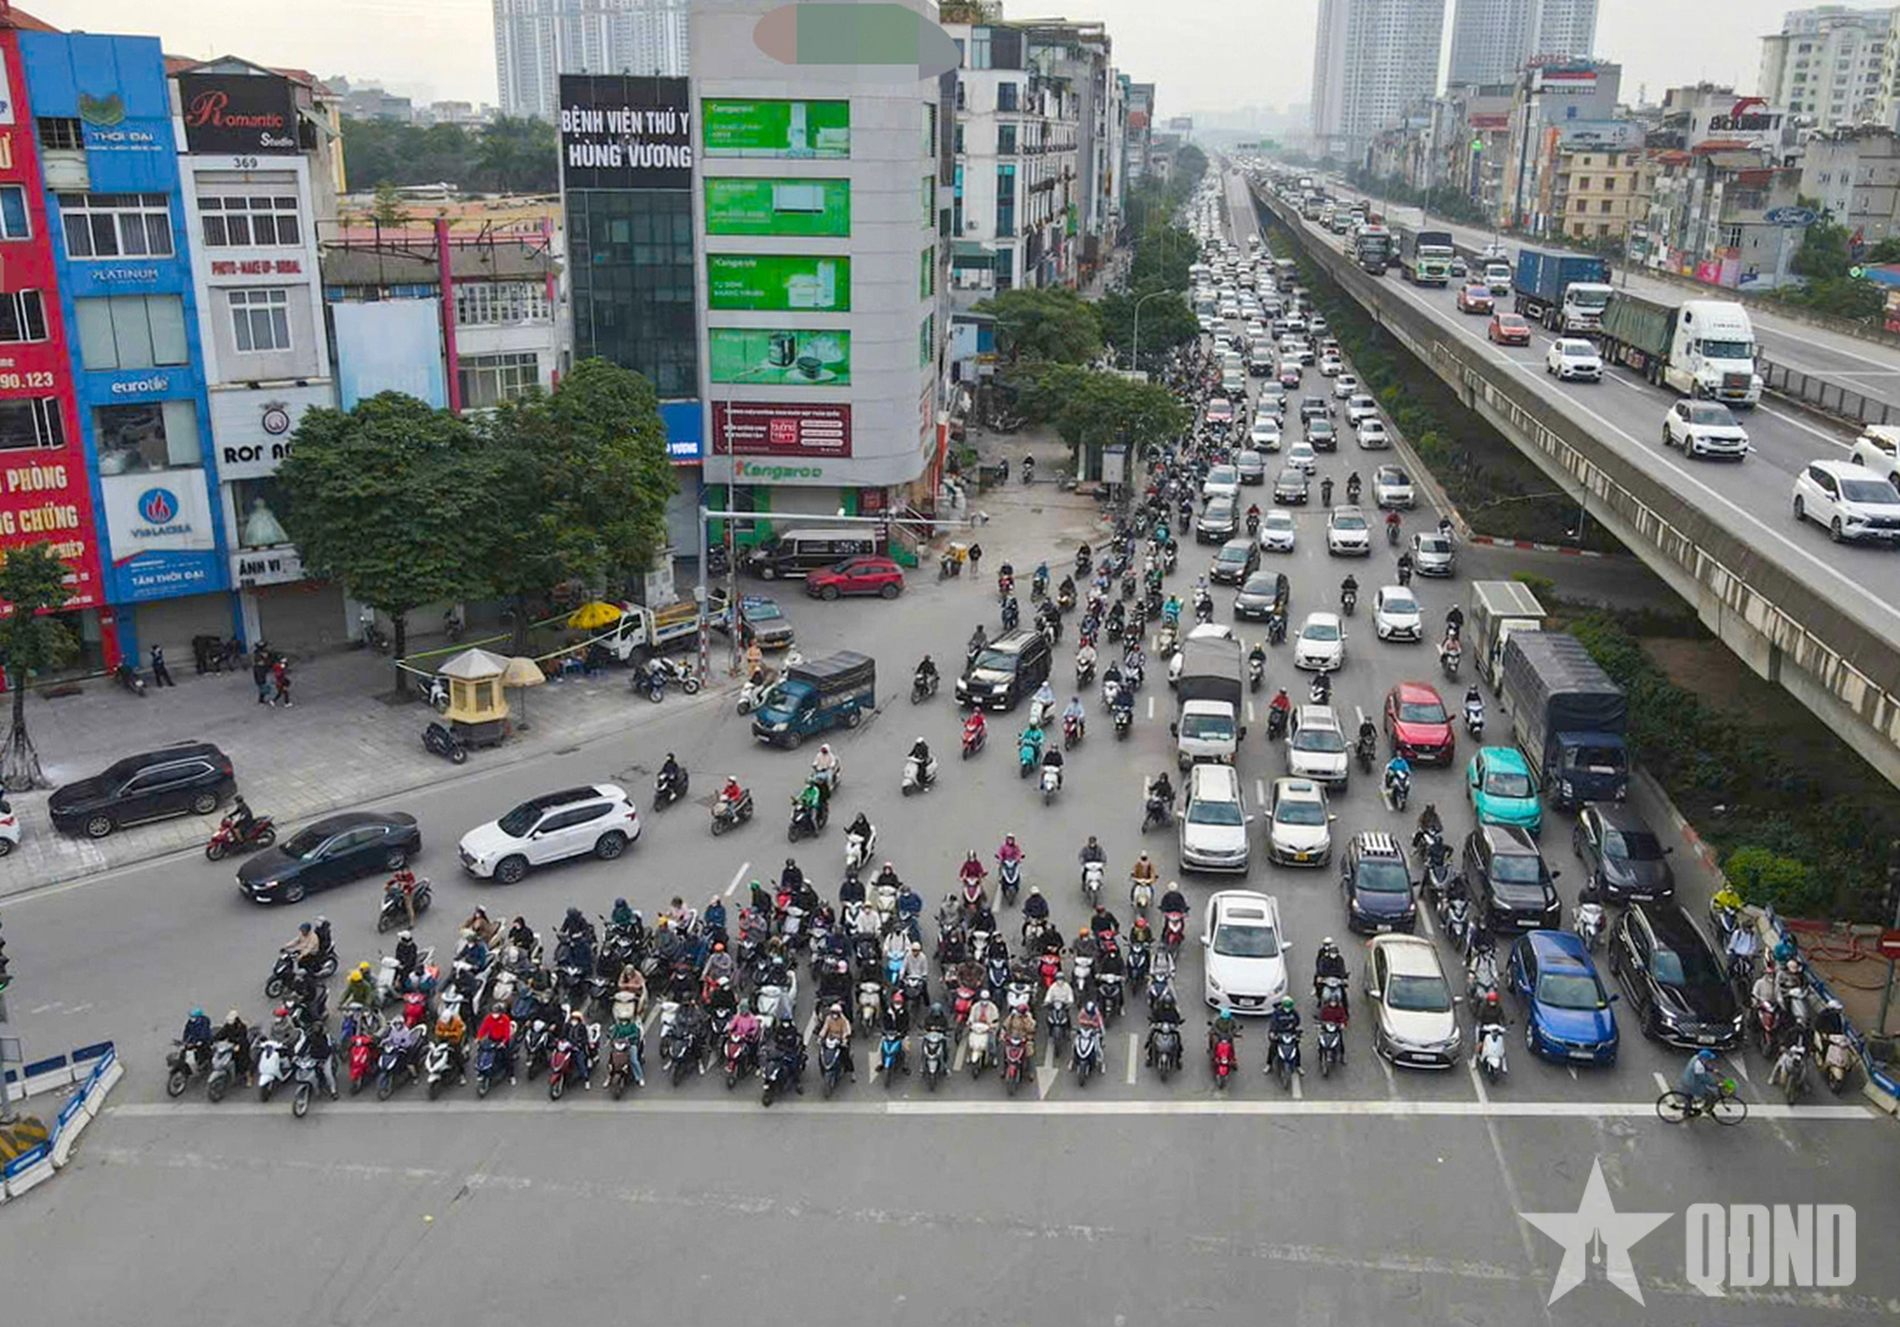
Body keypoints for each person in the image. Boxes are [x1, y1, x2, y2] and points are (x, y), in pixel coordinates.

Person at [299, 1020, 338, 1100]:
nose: (315, 1029)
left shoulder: (326, 1036)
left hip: (325, 1058)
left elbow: (330, 1047)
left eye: (317, 1028)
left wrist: (324, 1060)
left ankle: (333, 1090)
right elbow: (304, 1046)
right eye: (314, 1027)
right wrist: (298, 1055)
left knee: (328, 1074)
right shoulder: (310, 1036)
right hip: (313, 1057)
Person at [434, 999, 469, 1084]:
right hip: (443, 1039)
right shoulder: (440, 1021)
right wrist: (443, 1034)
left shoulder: (457, 1021)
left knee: (457, 1057)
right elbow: (436, 1031)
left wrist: (449, 1034)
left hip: (454, 1040)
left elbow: (459, 1032)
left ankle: (462, 1074)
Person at [214, 1009, 253, 1085]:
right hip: (231, 1045)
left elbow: (242, 1038)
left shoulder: (242, 1027)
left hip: (242, 1046)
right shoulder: (227, 1026)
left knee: (243, 1063)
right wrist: (214, 1039)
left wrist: (238, 1045)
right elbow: (222, 1033)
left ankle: (249, 1078)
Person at [1267, 995, 1303, 1075]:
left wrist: (1293, 1026)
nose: (1288, 1009)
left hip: (1290, 1033)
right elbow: (1273, 1023)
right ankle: (1269, 1064)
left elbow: (1298, 1021)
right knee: (1272, 1047)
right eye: (1286, 1007)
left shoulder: (1294, 1012)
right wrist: (1272, 1033)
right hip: (1279, 1033)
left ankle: (1298, 1066)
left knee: (1296, 1048)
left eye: (1289, 1007)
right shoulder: (1277, 1012)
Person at [819, 1002, 855, 1080]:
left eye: (836, 1013)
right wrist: (821, 1036)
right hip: (830, 1038)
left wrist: (844, 1039)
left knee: (845, 1056)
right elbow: (825, 1028)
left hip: (840, 1039)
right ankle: (823, 1069)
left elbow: (846, 1030)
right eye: (833, 1013)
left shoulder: (843, 1020)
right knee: (821, 1054)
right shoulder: (828, 1018)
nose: (834, 1015)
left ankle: (851, 1072)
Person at [772, 1017, 807, 1094]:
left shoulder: (793, 1029)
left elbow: (792, 1040)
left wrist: (784, 1041)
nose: (785, 1024)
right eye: (784, 1022)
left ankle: (798, 1083)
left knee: (793, 1066)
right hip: (779, 1050)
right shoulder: (778, 1029)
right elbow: (775, 1039)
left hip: (790, 1050)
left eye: (786, 1022)